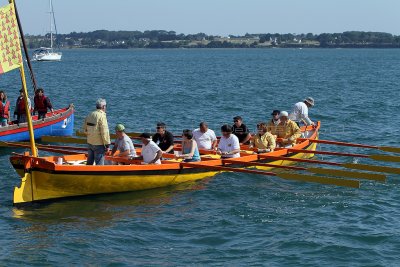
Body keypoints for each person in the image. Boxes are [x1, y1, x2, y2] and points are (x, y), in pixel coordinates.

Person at [83, 98, 111, 165]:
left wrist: (90, 135)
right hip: (99, 145)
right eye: (105, 106)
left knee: (89, 162)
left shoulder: (90, 114)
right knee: (99, 164)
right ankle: (98, 175)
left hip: (90, 142)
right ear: (103, 107)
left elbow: (84, 129)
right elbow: (105, 132)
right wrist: (107, 145)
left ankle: (87, 174)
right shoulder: (102, 116)